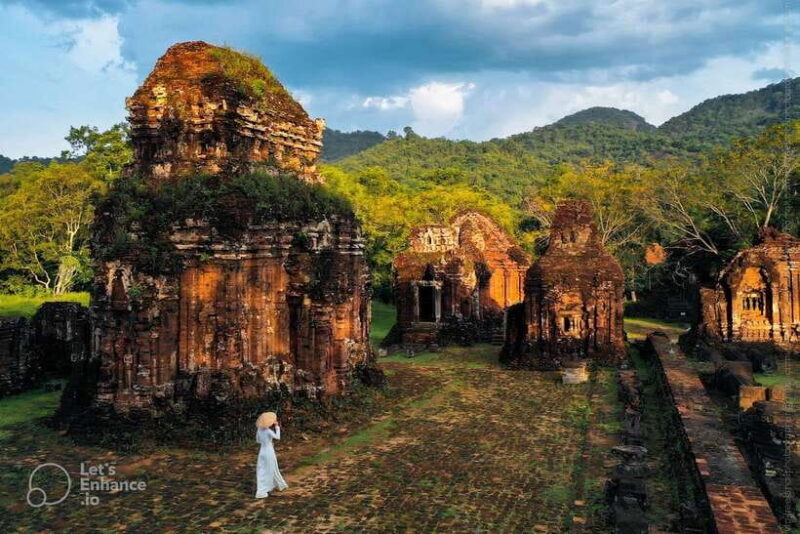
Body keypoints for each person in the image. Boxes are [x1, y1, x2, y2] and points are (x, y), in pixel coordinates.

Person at [255, 411, 288, 498]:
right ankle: (265, 490)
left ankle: (265, 488)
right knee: (271, 468)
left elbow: (258, 440)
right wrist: (277, 427)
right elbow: (278, 437)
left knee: (262, 470)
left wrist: (266, 442)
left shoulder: (259, 430)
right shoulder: (268, 431)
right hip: (269, 452)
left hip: (262, 452)